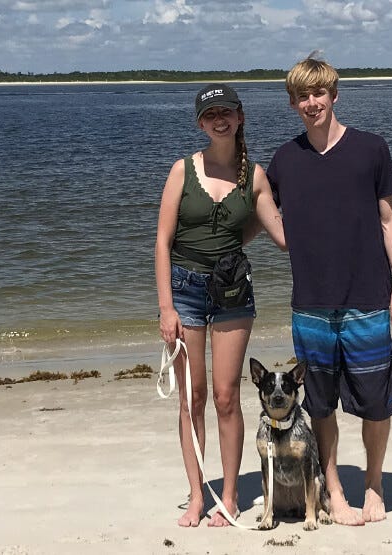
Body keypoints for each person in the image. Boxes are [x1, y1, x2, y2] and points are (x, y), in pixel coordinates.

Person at [266, 55, 392, 526]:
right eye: (302, 97)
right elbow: (261, 209)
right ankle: (333, 489)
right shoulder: (286, 159)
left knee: (376, 400)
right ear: (293, 104)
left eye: (319, 93)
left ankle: (373, 485)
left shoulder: (371, 149)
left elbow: (390, 221)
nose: (312, 103)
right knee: (320, 403)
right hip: (311, 303)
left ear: (334, 94)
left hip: (368, 298)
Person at [154, 83, 285, 527]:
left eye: (227, 111)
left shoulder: (257, 176)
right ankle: (197, 496)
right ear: (200, 123)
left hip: (233, 292)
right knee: (193, 397)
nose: (220, 119)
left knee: (227, 397)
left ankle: (228, 497)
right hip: (185, 288)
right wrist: (166, 308)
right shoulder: (181, 170)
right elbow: (162, 242)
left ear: (241, 116)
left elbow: (282, 237)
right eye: (211, 114)